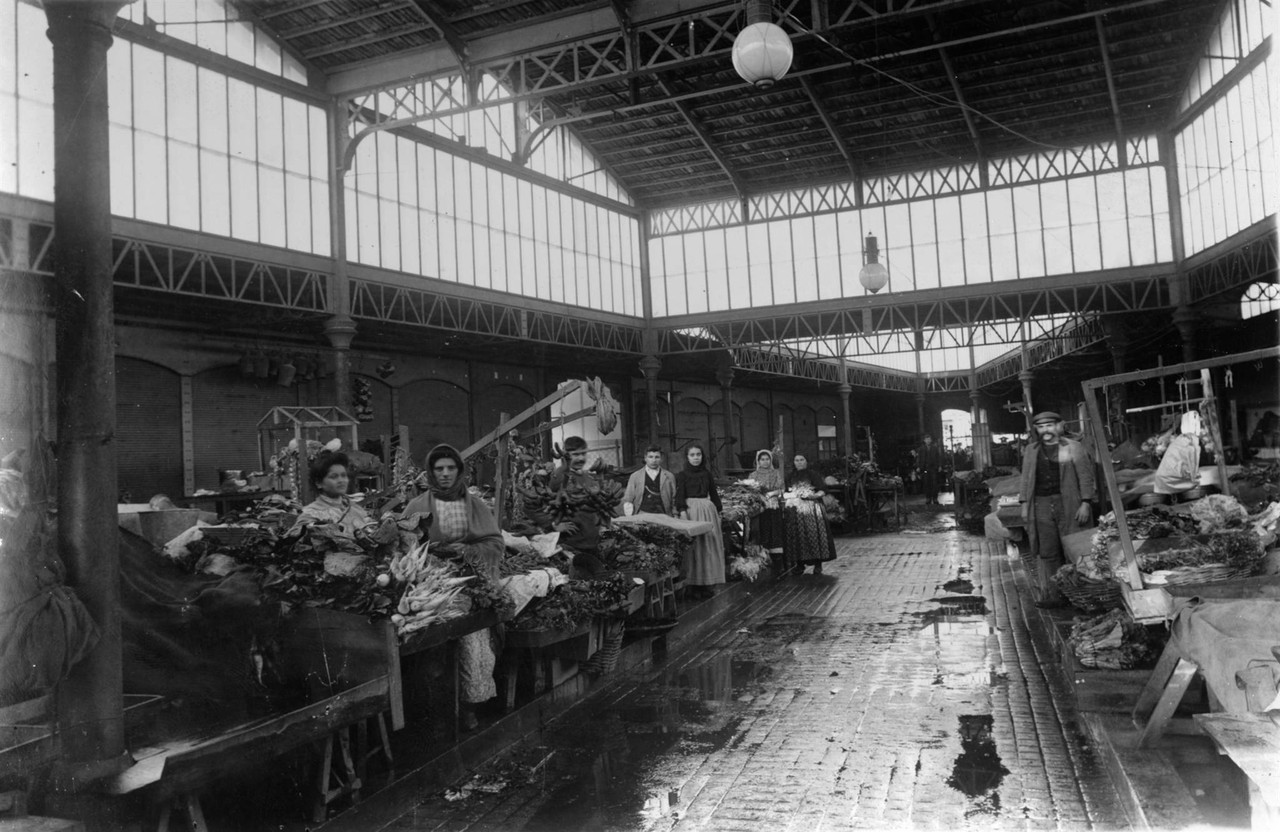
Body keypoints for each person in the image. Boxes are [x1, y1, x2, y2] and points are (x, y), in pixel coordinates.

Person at [402, 444, 504, 730]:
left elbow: (495, 543)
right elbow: (404, 544)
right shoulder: (417, 506)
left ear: (459, 471)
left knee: (473, 643)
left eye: (450, 468)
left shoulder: (475, 505)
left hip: (469, 584)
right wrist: (429, 552)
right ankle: (435, 712)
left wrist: (467, 551)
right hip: (430, 587)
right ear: (430, 473)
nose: (445, 474)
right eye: (439, 469)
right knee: (432, 649)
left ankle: (470, 706)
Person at [1019, 411, 1096, 609]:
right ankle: (1053, 595)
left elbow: (1086, 476)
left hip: (1069, 502)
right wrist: (1023, 505)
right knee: (1047, 550)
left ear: (1059, 426)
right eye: (1041, 426)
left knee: (1076, 546)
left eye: (1050, 425)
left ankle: (1084, 596)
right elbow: (1026, 479)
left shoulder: (1074, 447)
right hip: (1041, 504)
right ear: (1036, 429)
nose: (1046, 430)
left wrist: (1086, 502)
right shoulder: (1031, 450)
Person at [547, 435, 609, 576]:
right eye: (575, 454)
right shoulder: (560, 476)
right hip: (571, 546)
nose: (581, 458)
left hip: (591, 544)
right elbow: (543, 503)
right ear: (565, 454)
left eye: (583, 453)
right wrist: (554, 525)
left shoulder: (587, 477)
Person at [674, 444, 725, 599]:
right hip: (691, 511)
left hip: (708, 511)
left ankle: (708, 583)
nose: (696, 458)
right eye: (692, 455)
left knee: (709, 546)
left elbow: (714, 494)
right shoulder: (682, 475)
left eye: (698, 454)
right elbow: (679, 496)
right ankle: (692, 584)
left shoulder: (707, 474)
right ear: (687, 457)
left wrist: (719, 511)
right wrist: (682, 513)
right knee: (693, 548)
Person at [292, 452, 373, 538]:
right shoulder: (312, 513)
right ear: (318, 483)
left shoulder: (355, 509)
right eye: (334, 477)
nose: (341, 480)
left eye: (344, 475)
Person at [784, 454, 837, 574]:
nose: (799, 462)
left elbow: (823, 489)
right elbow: (786, 491)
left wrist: (815, 495)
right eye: (796, 460)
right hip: (796, 509)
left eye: (802, 460)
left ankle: (818, 564)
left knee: (814, 534)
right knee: (798, 536)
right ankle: (800, 564)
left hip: (812, 507)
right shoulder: (790, 476)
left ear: (806, 461)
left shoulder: (813, 474)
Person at [749, 448, 787, 570]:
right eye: (762, 459)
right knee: (761, 530)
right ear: (758, 461)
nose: (765, 462)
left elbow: (781, 488)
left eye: (767, 459)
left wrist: (771, 494)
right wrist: (759, 496)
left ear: (770, 460)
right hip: (759, 507)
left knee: (774, 530)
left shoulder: (775, 473)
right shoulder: (753, 475)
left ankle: (777, 561)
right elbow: (749, 490)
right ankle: (762, 559)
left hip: (772, 505)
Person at [621, 445, 676, 516]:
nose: (653, 460)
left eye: (657, 457)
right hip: (642, 513)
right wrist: (630, 516)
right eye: (650, 457)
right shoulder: (635, 476)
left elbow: (674, 498)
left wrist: (675, 514)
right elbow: (628, 498)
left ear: (661, 459)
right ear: (645, 458)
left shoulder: (669, 476)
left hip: (663, 514)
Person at [916, 434, 943, 506]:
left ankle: (935, 498)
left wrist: (940, 466)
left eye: (929, 439)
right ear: (924, 440)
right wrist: (918, 466)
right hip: (925, 468)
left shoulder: (935, 448)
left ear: (931, 440)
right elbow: (918, 458)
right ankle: (928, 498)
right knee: (927, 483)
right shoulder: (921, 449)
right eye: (926, 439)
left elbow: (939, 457)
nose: (928, 440)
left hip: (933, 468)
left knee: (934, 483)